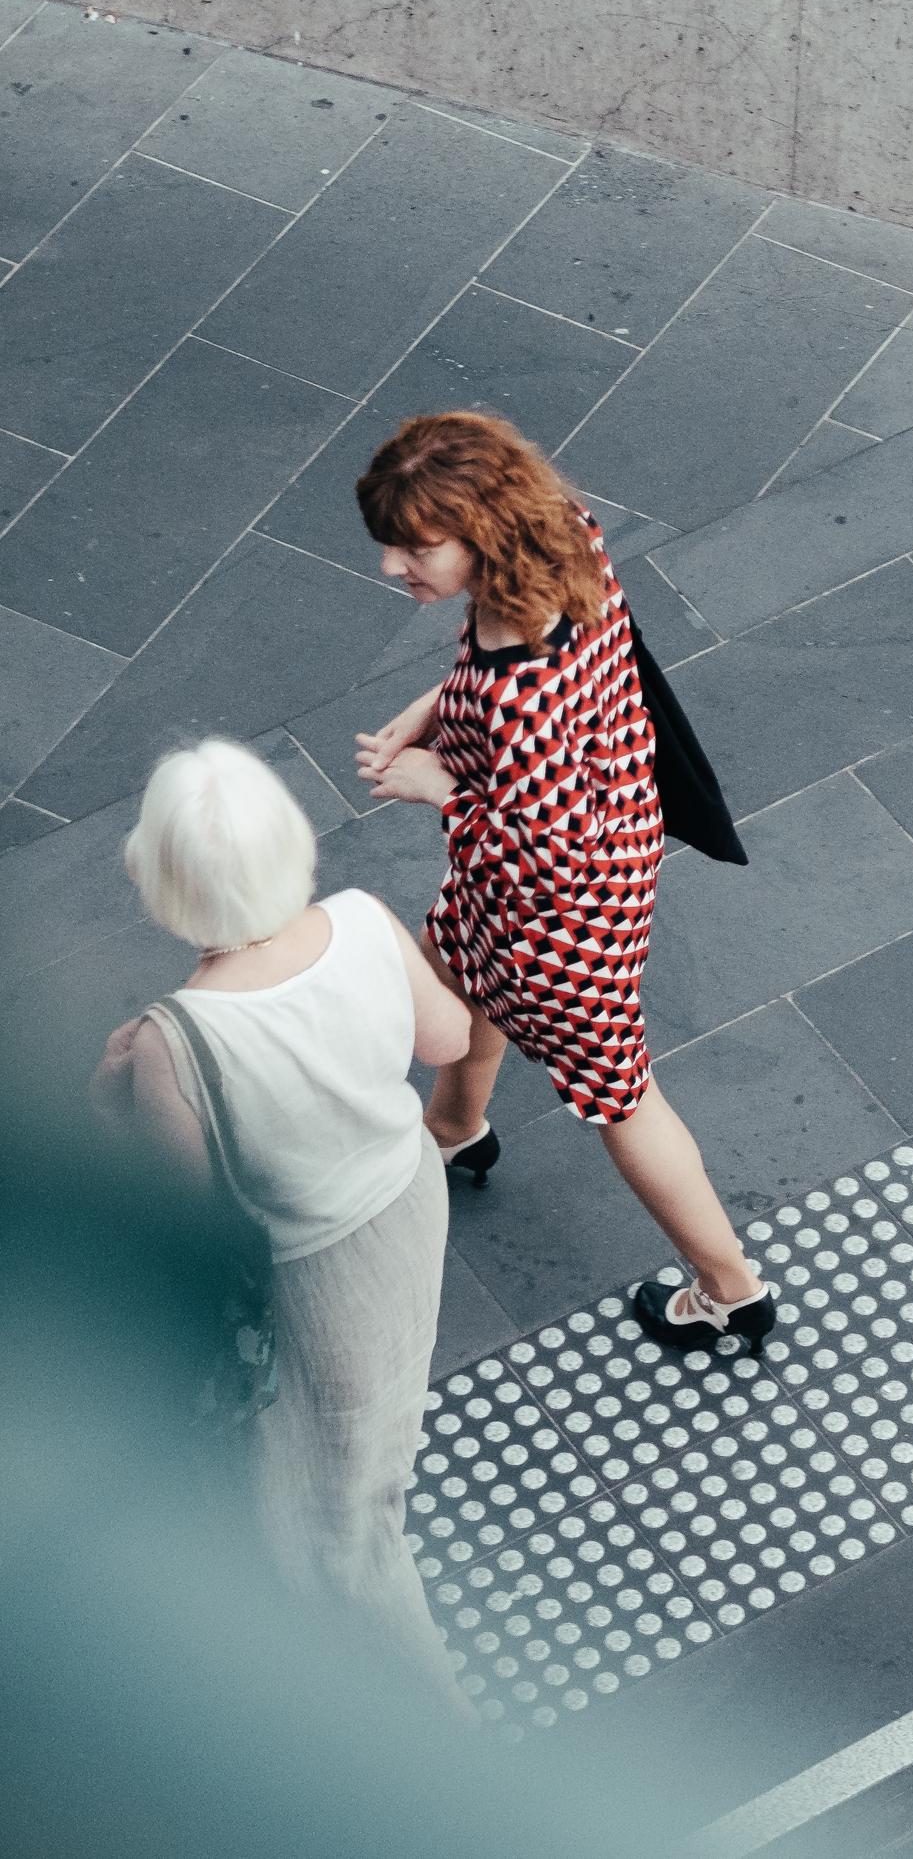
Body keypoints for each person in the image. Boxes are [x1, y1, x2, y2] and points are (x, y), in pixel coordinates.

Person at [350, 410, 774, 1356]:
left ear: (481, 533)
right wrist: (433, 711)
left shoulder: (518, 695)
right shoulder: (565, 538)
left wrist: (441, 785)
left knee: (619, 1093)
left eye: (413, 548)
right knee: (455, 965)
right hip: (609, 832)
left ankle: (730, 1288)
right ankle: (455, 1129)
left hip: (559, 917)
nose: (391, 568)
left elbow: (543, 846)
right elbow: (497, 676)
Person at [89, 738, 476, 1715]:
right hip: (407, 1203)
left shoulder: (174, 1040)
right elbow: (450, 1038)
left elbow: (187, 1212)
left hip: (318, 1275)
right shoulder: (361, 921)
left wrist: (112, 1099)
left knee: (348, 1518)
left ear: (161, 881)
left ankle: (428, 1714)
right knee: (379, 1416)